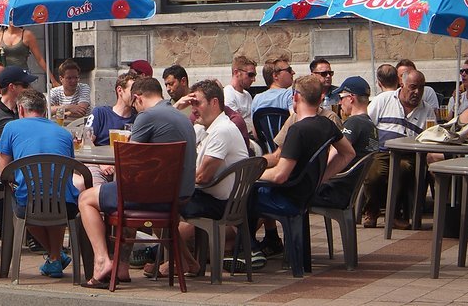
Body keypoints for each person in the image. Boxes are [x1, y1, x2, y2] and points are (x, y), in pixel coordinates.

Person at [78, 76, 197, 288]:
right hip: (180, 195)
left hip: (154, 197)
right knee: (121, 192)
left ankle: (102, 261)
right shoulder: (180, 117)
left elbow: (127, 162)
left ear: (137, 98)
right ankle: (122, 267)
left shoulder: (147, 116)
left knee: (86, 198)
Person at [249, 76, 354, 255]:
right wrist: (320, 176)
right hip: (304, 190)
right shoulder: (326, 124)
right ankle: (264, 243)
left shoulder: (298, 129)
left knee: (246, 196)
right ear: (320, 97)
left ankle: (247, 250)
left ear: (296, 97)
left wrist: (250, 175)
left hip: (290, 195)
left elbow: (280, 175)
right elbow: (349, 153)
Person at [165, 80, 250, 278]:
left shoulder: (222, 130)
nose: (193, 109)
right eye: (192, 104)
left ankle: (177, 262)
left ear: (214, 102)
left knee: (161, 206)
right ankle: (186, 262)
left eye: (197, 104)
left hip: (221, 203)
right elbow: (173, 146)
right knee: (160, 203)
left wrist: (172, 182)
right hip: (209, 195)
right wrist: (177, 108)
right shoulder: (203, 128)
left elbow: (203, 177)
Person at [0, 89, 77, 278]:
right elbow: (69, 170)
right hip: (65, 205)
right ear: (45, 110)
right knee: (53, 196)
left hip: (30, 205)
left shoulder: (11, 127)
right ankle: (55, 256)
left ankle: (55, 256)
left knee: (25, 200)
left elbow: (4, 172)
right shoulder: (65, 133)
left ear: (21, 109)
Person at [363, 69, 436, 229]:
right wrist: (371, 151)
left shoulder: (427, 110)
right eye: (413, 87)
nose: (417, 92)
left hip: (408, 155)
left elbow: (432, 137)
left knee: (402, 169)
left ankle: (393, 214)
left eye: (421, 88)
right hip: (381, 151)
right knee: (375, 172)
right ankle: (372, 211)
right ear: (402, 84)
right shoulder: (384, 100)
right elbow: (368, 125)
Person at [314, 77, 377, 210]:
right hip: (350, 191)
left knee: (287, 195)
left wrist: (316, 179)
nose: (340, 102)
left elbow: (334, 155)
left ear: (351, 98)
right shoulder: (371, 125)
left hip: (334, 191)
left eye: (341, 97)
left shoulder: (354, 123)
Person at [0, 65, 36, 163]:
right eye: (25, 85)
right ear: (12, 87)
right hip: (6, 169)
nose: (30, 89)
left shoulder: (27, 111)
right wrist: (16, 160)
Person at [0, 18, 54, 86]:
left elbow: (39, 59)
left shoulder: (27, 35)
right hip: (6, 76)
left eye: (14, 17)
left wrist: (52, 79)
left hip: (22, 74)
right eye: (10, 17)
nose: (12, 20)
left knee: (23, 95)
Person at [85, 72, 136, 147]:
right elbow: (87, 140)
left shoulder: (139, 117)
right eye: (133, 91)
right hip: (101, 157)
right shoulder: (100, 113)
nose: (136, 95)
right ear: (120, 90)